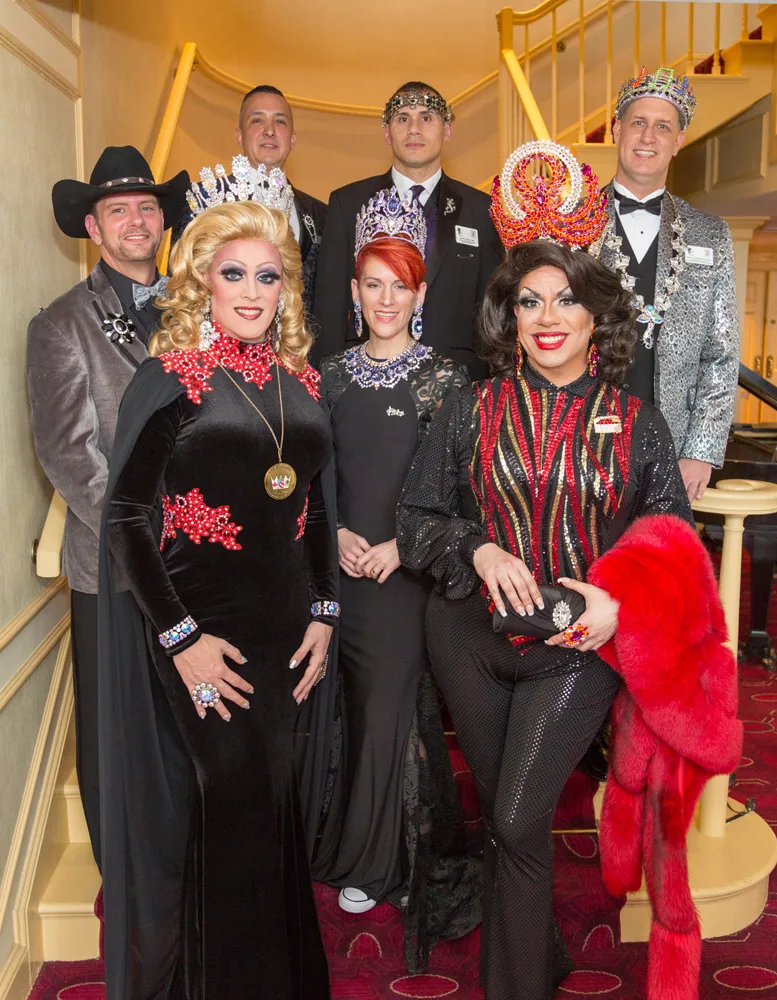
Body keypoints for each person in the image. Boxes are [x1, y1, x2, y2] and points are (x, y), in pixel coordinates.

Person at [397, 142, 741, 1000]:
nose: (547, 317)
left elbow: (674, 546)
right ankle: (539, 955)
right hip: (469, 638)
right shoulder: (469, 408)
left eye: (565, 300)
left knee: (516, 817)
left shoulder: (638, 420)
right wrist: (478, 547)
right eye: (529, 300)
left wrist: (620, 606)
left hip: (577, 648)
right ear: (509, 317)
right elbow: (415, 520)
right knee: (506, 824)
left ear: (596, 317)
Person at [97, 193, 338, 1000]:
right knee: (234, 805)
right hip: (204, 632)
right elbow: (126, 519)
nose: (251, 291)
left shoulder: (301, 382)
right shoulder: (171, 379)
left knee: (270, 806)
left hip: (287, 636)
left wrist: (326, 613)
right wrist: (181, 639)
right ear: (203, 280)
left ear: (286, 289)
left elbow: (316, 509)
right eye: (233, 273)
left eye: (268, 276)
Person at [312, 188, 479, 969]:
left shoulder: (446, 381)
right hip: (338, 572)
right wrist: (339, 532)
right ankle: (347, 836)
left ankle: (373, 862)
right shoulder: (327, 376)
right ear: (353, 290)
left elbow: (456, 490)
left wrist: (398, 548)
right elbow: (315, 477)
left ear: (420, 293)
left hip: (404, 580)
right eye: (372, 284)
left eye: (400, 285)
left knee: (385, 710)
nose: (386, 299)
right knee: (341, 706)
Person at [26, 145, 189, 868]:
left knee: (188, 723)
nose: (136, 220)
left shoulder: (201, 310)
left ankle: (186, 867)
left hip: (201, 559)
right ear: (93, 228)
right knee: (119, 736)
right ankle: (126, 877)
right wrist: (146, 533)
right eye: (118, 209)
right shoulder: (61, 324)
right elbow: (68, 453)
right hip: (114, 563)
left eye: (147, 207)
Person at [591, 66, 739, 502]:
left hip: (673, 445)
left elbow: (722, 352)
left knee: (658, 547)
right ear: (617, 129)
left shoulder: (711, 233)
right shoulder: (573, 225)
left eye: (663, 127)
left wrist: (701, 450)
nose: (648, 137)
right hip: (582, 434)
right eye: (638, 122)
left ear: (678, 141)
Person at [313, 81, 504, 377]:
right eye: (403, 118)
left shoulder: (481, 210)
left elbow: (491, 310)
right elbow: (330, 306)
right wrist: (326, 383)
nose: (414, 129)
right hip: (366, 377)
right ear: (387, 132)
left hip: (459, 380)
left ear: (447, 130)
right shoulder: (348, 204)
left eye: (426, 118)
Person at [172, 85, 326, 312]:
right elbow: (182, 287)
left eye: (280, 121)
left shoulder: (321, 215)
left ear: (293, 139)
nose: (270, 130)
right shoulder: (202, 201)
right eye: (257, 120)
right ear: (240, 136)